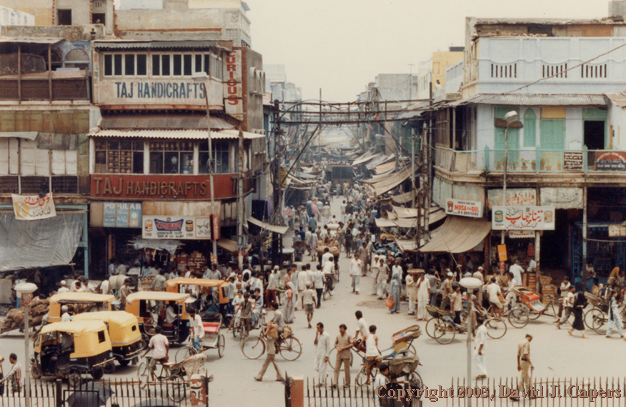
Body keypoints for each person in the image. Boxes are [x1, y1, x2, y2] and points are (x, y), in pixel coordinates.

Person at [254, 318, 285, 383]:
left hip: (270, 353)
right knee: (275, 365)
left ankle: (259, 376)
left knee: (265, 365)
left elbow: (265, 334)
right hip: (272, 352)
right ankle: (280, 376)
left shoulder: (270, 336)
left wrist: (268, 329)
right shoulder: (272, 335)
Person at [511, 334, 533, 401]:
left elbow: (518, 355)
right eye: (531, 339)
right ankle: (514, 395)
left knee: (526, 377)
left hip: (521, 361)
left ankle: (530, 394)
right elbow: (525, 354)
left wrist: (518, 364)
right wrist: (531, 363)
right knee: (522, 377)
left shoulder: (520, 342)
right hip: (525, 362)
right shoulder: (526, 343)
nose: (531, 340)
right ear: (529, 337)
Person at [332, 324, 352, 388]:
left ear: (345, 329)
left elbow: (352, 344)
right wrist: (337, 347)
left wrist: (344, 348)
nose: (340, 330)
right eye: (340, 329)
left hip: (346, 354)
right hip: (339, 354)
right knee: (336, 369)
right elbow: (335, 343)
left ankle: (347, 383)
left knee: (347, 370)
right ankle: (335, 383)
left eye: (342, 329)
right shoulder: (338, 336)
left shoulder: (348, 336)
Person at [313, 322, 331, 387]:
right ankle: (325, 373)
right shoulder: (318, 335)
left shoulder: (326, 335)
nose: (317, 329)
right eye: (316, 328)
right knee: (315, 367)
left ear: (322, 328)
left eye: (318, 328)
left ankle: (321, 382)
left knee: (321, 368)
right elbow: (315, 343)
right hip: (317, 353)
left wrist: (327, 356)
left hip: (323, 354)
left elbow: (328, 346)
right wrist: (316, 335)